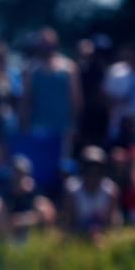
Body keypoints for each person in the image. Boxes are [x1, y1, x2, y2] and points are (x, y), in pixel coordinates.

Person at [18, 27, 81, 191]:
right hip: (38, 127)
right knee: (39, 167)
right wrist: (23, 126)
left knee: (63, 167)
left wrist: (73, 125)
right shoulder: (29, 69)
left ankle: (62, 203)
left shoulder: (68, 67)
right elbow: (25, 101)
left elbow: (75, 99)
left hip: (63, 128)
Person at [63, 146, 120, 240]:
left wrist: (100, 233)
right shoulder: (72, 190)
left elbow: (111, 222)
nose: (92, 176)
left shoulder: (111, 191)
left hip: (103, 235)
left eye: (96, 172)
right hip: (79, 235)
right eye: (89, 171)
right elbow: (70, 221)